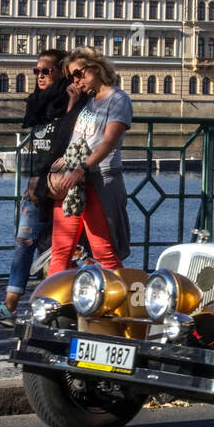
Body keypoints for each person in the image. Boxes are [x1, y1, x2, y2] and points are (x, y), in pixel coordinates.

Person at [0, 48, 81, 325]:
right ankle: (10, 306)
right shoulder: (39, 103)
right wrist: (33, 179)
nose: (40, 76)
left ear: (61, 71)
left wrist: (71, 105)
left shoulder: (73, 101)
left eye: (46, 71)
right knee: (24, 243)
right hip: (37, 184)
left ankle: (54, 310)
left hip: (61, 185)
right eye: (37, 71)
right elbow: (40, 146)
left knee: (60, 252)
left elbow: (66, 141)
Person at [48, 48, 133, 274]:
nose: (76, 80)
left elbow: (108, 142)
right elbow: (73, 135)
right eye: (72, 76)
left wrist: (82, 169)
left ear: (96, 69)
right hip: (73, 181)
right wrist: (73, 102)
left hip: (99, 178)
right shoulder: (88, 100)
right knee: (61, 249)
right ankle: (52, 303)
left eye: (79, 74)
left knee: (102, 250)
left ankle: (119, 301)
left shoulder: (118, 100)